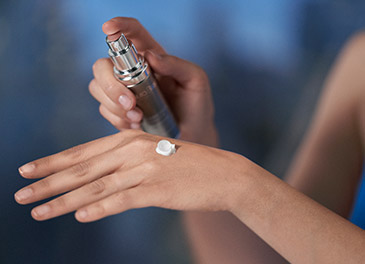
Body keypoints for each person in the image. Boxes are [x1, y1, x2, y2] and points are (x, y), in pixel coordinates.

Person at [14, 17, 365, 263]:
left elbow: (250, 194)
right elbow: (275, 258)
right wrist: (193, 139)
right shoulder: (358, 62)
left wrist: (240, 185)